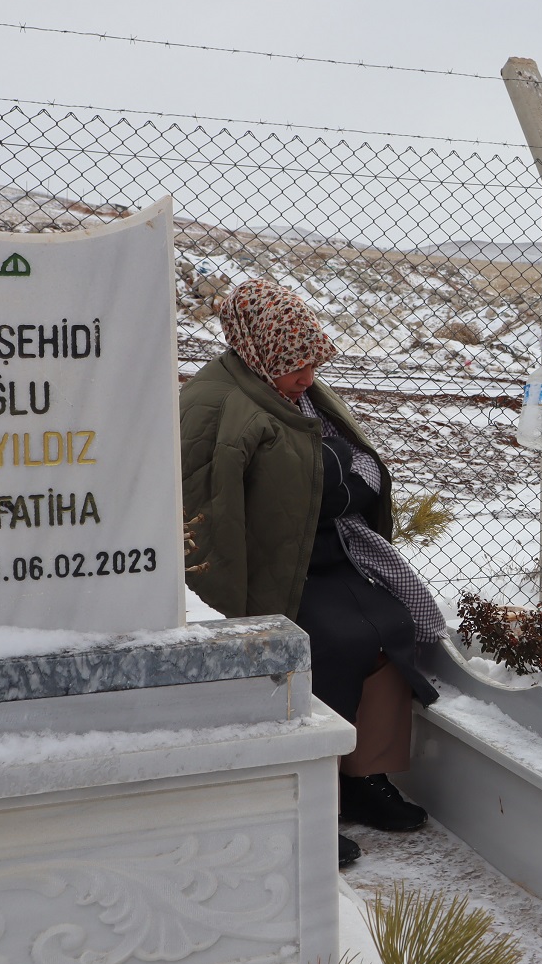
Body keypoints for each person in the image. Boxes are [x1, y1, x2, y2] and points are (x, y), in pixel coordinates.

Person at [180, 279, 445, 869]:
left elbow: (336, 459)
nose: (307, 377)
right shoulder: (214, 401)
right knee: (330, 643)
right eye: (295, 366)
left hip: (331, 548)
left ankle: (363, 778)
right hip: (275, 566)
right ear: (258, 352)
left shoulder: (292, 387)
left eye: (313, 363)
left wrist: (346, 479)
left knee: (390, 627)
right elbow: (203, 505)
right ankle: (310, 792)